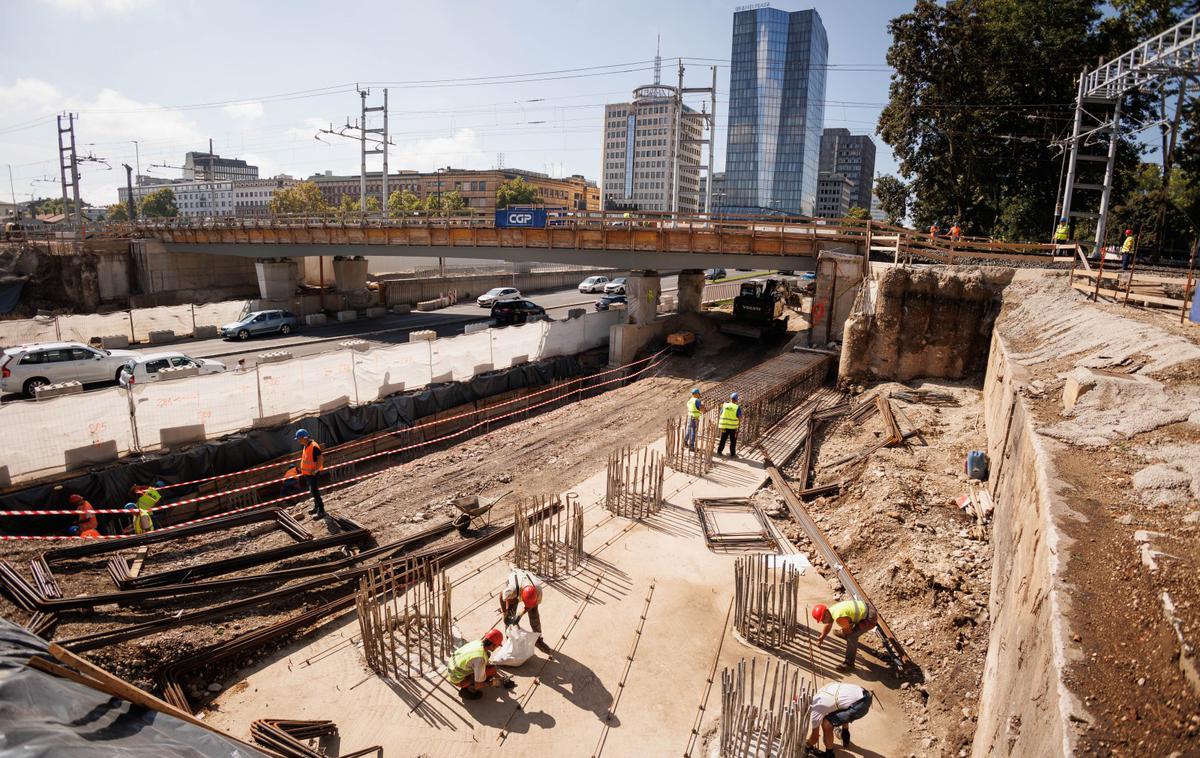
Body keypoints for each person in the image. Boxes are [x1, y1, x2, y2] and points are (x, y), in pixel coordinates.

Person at [807, 681, 874, 755]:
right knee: (841, 705)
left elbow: (814, 738)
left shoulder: (816, 710)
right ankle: (845, 736)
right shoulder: (823, 690)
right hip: (864, 693)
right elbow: (843, 702)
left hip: (860, 705)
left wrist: (807, 744)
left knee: (826, 723)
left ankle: (829, 754)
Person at [448, 628, 516, 700]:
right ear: (492, 645)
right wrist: (493, 683)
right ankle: (468, 688)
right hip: (458, 679)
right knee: (479, 693)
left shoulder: (477, 642)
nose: (496, 648)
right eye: (497, 646)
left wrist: (499, 677)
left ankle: (473, 679)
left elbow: (488, 665)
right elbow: (478, 685)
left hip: (453, 670)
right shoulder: (480, 659)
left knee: (489, 664)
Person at [813, 599, 878, 670]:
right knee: (847, 626)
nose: (823, 622)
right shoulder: (831, 610)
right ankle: (842, 633)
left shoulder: (839, 618)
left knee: (851, 637)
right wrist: (821, 638)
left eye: (822, 620)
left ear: (826, 614)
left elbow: (849, 631)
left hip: (869, 618)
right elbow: (828, 625)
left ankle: (849, 664)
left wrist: (844, 632)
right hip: (866, 608)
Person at [499, 568, 551, 652]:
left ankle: (538, 639)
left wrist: (521, 614)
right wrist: (504, 612)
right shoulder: (512, 590)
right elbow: (501, 596)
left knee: (534, 613)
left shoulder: (537, 590)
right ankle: (510, 640)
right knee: (510, 616)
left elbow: (531, 604)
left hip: (526, 579)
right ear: (521, 597)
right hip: (516, 581)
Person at [295, 429, 325, 518]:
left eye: (299, 438)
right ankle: (316, 507)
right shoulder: (306, 445)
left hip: (313, 474)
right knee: (312, 491)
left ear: (304, 437)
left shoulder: (313, 446)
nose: (298, 440)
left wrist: (315, 470)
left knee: (315, 492)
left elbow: (320, 459)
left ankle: (321, 510)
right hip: (308, 474)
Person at [716, 392, 742, 458]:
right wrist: (738, 425)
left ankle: (719, 451)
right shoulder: (737, 407)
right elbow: (739, 417)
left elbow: (721, 413)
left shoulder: (724, 405)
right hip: (733, 428)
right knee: (733, 441)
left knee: (723, 439)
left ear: (730, 398)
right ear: (736, 400)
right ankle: (732, 454)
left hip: (724, 426)